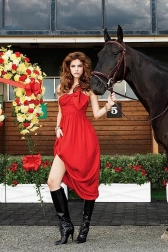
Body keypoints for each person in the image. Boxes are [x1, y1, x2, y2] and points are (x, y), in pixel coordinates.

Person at [47, 51, 115, 245]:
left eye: (79, 66)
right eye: (73, 66)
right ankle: (66, 225)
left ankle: (85, 226)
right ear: (68, 68)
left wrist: (108, 106)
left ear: (84, 68)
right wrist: (57, 127)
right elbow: (61, 111)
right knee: (53, 181)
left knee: (88, 183)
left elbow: (96, 114)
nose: (76, 69)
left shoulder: (89, 88)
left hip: (84, 139)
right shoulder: (61, 87)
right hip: (65, 137)